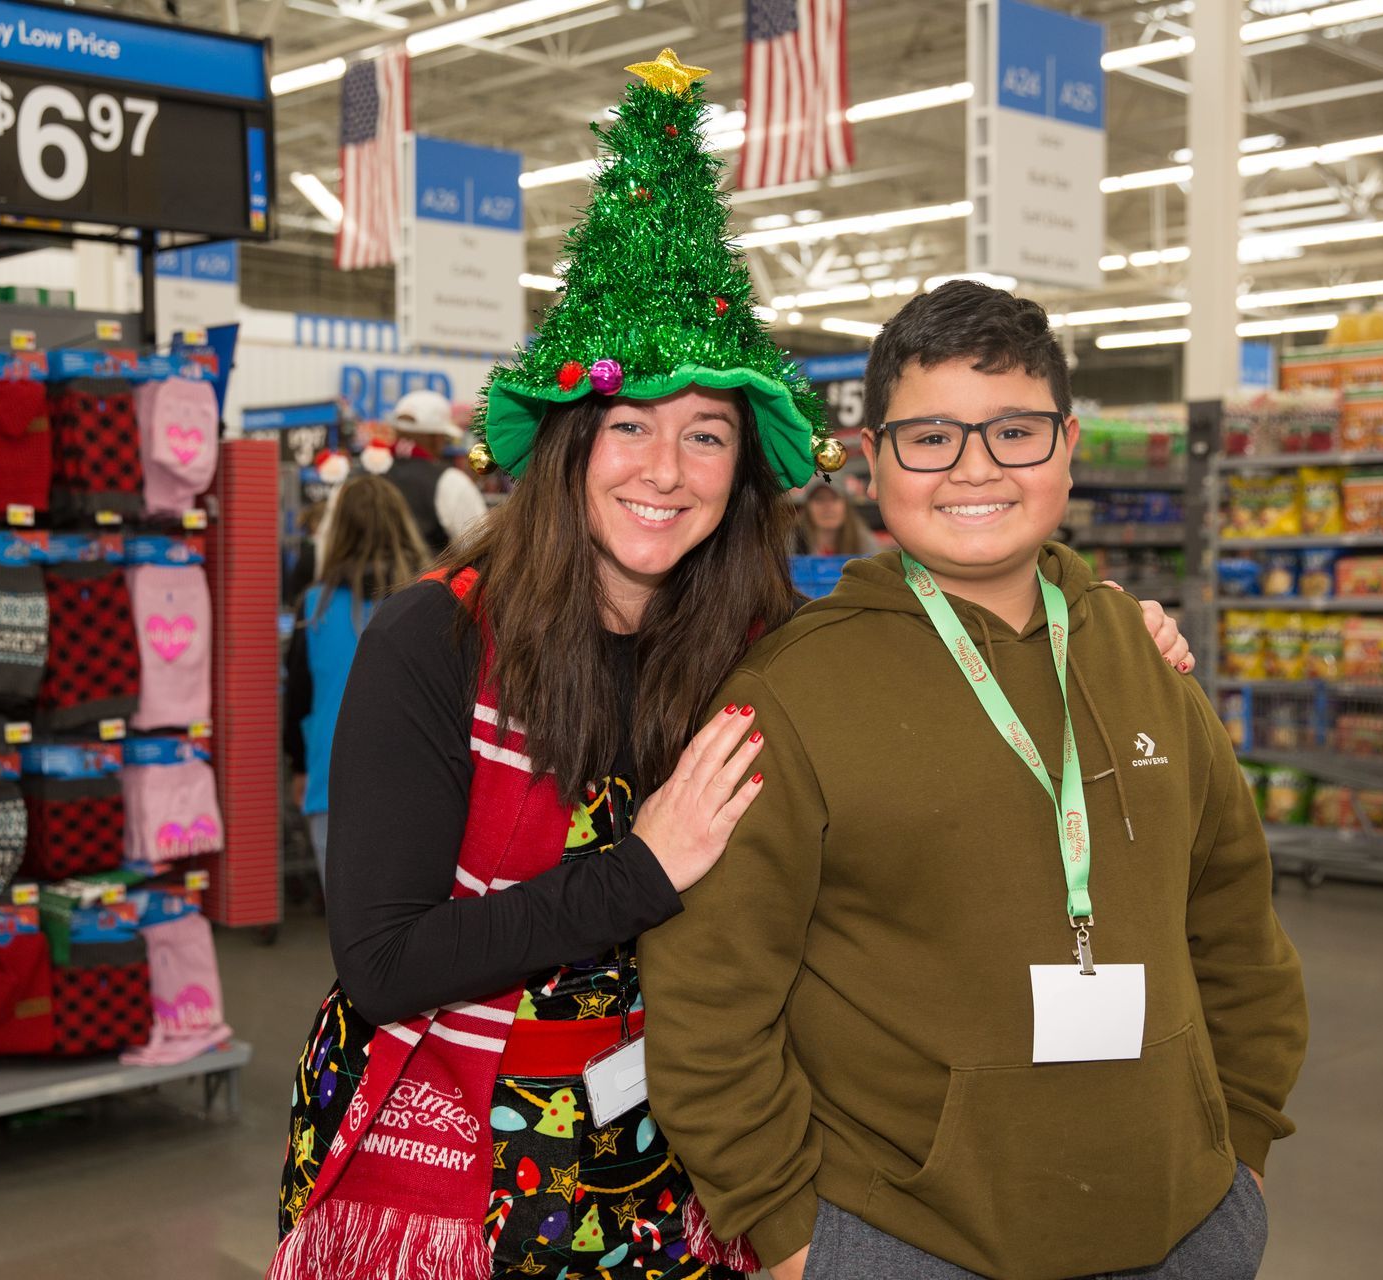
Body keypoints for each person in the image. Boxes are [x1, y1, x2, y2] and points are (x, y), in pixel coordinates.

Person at [271, 55, 1194, 1280]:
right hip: (449, 1161)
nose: (667, 467)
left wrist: (1102, 619)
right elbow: (382, 962)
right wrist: (641, 868)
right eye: (631, 427)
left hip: (674, 1166)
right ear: (565, 448)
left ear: (742, 470)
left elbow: (937, 620)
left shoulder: (759, 639)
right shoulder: (431, 643)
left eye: (706, 432)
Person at [640, 281, 1308, 1280]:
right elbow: (711, 995)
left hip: (1188, 1218)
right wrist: (789, 1233)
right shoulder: (790, 692)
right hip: (910, 1237)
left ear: (1069, 446)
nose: (976, 468)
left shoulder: (1143, 654)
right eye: (932, 437)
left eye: (1015, 431)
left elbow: (1237, 924)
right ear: (872, 462)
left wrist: (1242, 1147)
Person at [284, 474, 432, 884]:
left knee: (348, 932)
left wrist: (299, 766)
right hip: (420, 781)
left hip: (332, 778)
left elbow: (299, 697)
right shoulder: (434, 599)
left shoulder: (316, 606)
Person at [385, 387, 489, 553]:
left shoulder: (362, 473)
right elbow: (480, 547)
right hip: (423, 577)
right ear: (437, 438)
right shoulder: (450, 481)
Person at [790, 481, 879, 557]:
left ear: (846, 505)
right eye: (819, 499)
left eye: (834, 498)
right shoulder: (791, 540)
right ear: (807, 507)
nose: (827, 506)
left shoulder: (862, 539)